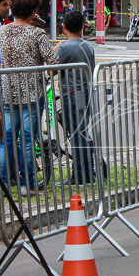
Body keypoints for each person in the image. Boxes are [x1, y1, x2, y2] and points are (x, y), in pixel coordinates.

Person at [0, 0, 59, 194]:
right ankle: (28, 183)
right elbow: (53, 62)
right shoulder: (37, 33)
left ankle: (3, 184)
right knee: (26, 139)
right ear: (33, 10)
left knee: (7, 139)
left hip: (8, 92)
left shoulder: (3, 31)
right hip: (32, 92)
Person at [55, 11, 97, 184]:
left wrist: (55, 48)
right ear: (82, 27)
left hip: (71, 93)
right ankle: (88, 170)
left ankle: (80, 174)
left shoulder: (65, 48)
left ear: (63, 27)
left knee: (75, 134)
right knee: (82, 132)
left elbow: (52, 67)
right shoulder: (88, 46)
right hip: (86, 92)